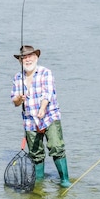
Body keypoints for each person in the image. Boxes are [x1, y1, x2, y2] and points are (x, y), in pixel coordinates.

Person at [11, 45, 70, 188]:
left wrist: (43, 108)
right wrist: (19, 98)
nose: (28, 59)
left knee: (56, 147)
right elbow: (15, 102)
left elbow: (47, 94)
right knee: (36, 154)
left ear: (36, 57)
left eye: (30, 56)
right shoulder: (18, 77)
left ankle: (64, 180)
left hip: (49, 116)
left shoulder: (45, 73)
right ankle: (39, 182)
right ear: (20, 61)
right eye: (24, 57)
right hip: (30, 121)